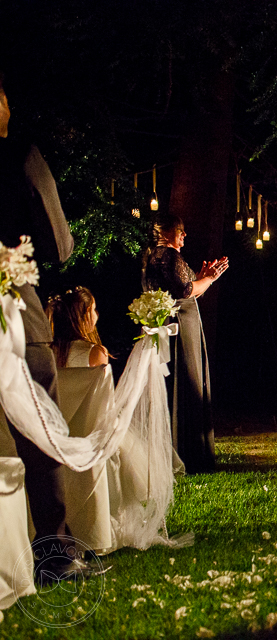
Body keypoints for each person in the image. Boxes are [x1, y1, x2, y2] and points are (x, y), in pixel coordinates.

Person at [0, 70, 102, 582]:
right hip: (16, 313)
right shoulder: (19, 157)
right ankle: (56, 556)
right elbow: (60, 246)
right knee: (39, 441)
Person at [141, 214, 228, 474]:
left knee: (177, 385)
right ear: (167, 232)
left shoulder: (152, 257)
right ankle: (190, 451)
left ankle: (177, 446)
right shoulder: (168, 255)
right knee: (187, 382)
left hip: (170, 323)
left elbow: (190, 288)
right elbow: (187, 291)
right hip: (180, 329)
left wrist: (206, 277)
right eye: (181, 230)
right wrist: (208, 279)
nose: (184, 235)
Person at [46, 287, 110, 369]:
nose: (96, 314)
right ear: (87, 313)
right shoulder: (96, 353)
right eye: (94, 309)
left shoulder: (47, 352)